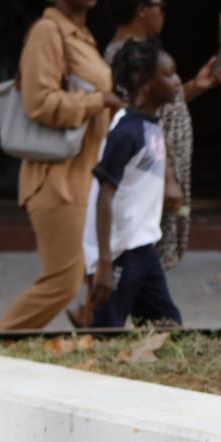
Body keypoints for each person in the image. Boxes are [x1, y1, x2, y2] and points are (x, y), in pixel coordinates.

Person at [0, 0, 124, 331]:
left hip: (85, 175)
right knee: (62, 282)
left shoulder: (81, 35)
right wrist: (99, 100)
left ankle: (93, 346)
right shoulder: (48, 33)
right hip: (57, 179)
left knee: (93, 276)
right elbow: (39, 103)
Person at [101, 0, 221, 271]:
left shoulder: (146, 53)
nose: (163, 13)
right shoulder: (124, 58)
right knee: (146, 257)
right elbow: (133, 120)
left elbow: (157, 105)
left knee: (151, 263)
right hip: (149, 176)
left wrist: (194, 87)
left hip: (159, 172)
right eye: (160, 6)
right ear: (142, 10)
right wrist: (168, 178)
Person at [84, 40, 184, 329]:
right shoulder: (126, 132)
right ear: (146, 82)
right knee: (106, 333)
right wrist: (104, 263)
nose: (177, 81)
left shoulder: (151, 123)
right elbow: (104, 196)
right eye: (169, 74)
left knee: (169, 328)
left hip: (143, 248)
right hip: (118, 254)